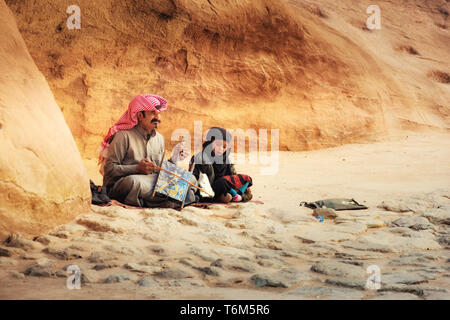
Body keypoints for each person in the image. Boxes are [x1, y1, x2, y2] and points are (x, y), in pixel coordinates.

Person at [99, 94, 195, 208]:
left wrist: (174, 157)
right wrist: (136, 168)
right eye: (153, 113)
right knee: (135, 183)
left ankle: (156, 200)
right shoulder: (123, 136)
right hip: (125, 183)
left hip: (151, 181)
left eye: (159, 114)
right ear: (140, 115)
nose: (158, 118)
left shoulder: (159, 138)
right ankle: (168, 199)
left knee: (190, 178)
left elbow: (161, 170)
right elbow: (109, 170)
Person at [189, 127, 253, 203]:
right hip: (208, 189)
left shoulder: (226, 159)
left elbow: (232, 177)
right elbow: (192, 178)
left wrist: (239, 184)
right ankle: (231, 195)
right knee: (222, 182)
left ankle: (237, 196)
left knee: (247, 179)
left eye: (224, 147)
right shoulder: (199, 157)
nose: (221, 149)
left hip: (225, 188)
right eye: (218, 144)